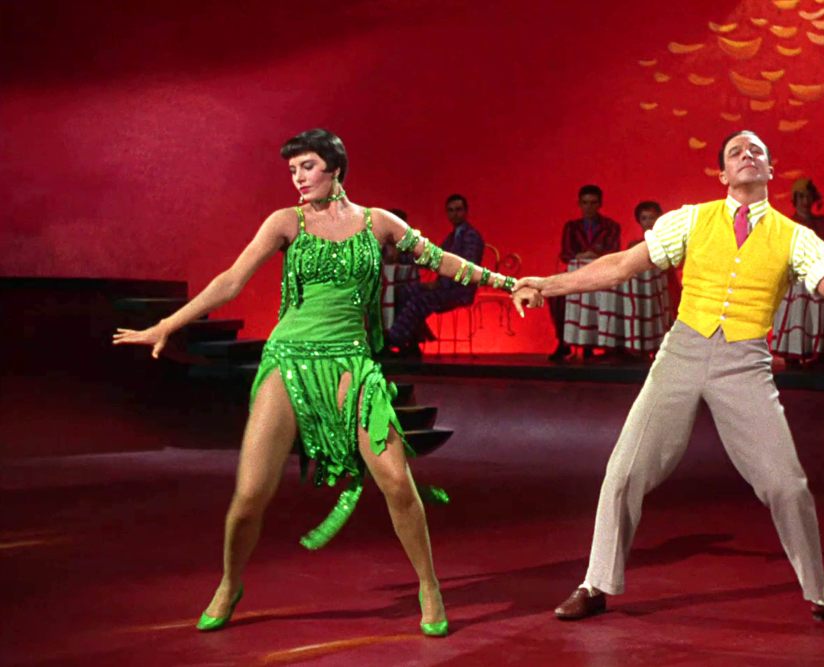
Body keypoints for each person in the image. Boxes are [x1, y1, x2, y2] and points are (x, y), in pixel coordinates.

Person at [512, 130, 824, 628]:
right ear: (723, 174)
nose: (747, 156)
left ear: (769, 170)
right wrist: (548, 285)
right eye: (736, 152)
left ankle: (820, 592)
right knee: (624, 471)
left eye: (756, 151)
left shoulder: (795, 237)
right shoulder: (691, 219)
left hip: (744, 362)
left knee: (787, 484)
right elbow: (620, 267)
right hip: (681, 351)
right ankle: (596, 583)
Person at [113, 129, 520, 637]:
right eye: (292, 170)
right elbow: (232, 280)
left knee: (397, 480)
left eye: (306, 167)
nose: (298, 178)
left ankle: (429, 586)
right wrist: (168, 324)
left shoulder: (379, 225)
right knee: (250, 495)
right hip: (288, 361)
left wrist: (508, 284)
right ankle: (229, 582)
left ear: (335, 168)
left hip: (351, 364)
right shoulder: (286, 222)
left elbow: (444, 261)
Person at [386, 194, 484, 357]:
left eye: (458, 210)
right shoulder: (452, 237)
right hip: (444, 287)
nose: (455, 214)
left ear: (466, 212)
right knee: (403, 291)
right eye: (451, 210)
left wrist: (438, 285)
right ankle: (409, 342)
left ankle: (393, 339)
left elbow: (465, 269)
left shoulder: (470, 236)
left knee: (418, 300)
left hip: (458, 291)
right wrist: (401, 257)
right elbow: (433, 259)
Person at [549, 184, 622, 361]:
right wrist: (579, 255)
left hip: (602, 277)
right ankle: (564, 342)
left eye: (593, 202)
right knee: (555, 295)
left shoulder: (611, 226)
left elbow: (615, 251)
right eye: (585, 203)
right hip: (576, 274)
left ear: (600, 204)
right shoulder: (571, 227)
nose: (589, 207)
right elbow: (565, 253)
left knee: (605, 294)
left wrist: (595, 255)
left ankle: (596, 344)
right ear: (579, 204)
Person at [791, 178, 824, 246]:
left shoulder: (823, 222)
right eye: (801, 196)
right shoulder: (790, 224)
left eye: (809, 196)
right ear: (795, 199)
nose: (805, 201)